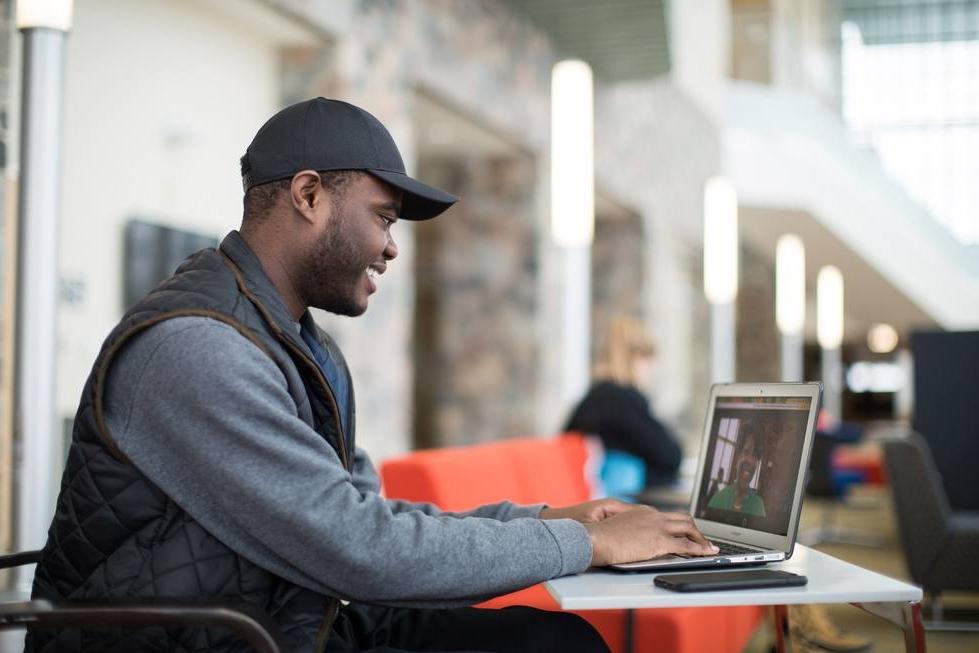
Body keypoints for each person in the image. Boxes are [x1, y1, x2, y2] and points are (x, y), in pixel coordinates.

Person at [28, 98, 719, 653]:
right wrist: (583, 543)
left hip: (288, 620)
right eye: (382, 217)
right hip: (219, 634)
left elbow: (367, 521)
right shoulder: (199, 349)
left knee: (554, 639)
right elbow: (359, 549)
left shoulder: (295, 343)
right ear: (307, 195)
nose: (391, 246)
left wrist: (546, 518)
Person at [564, 317, 683, 489]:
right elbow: (671, 456)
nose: (650, 369)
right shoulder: (621, 399)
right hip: (621, 500)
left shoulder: (595, 397)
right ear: (634, 357)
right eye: (647, 358)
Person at [707, 430, 767, 517]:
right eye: (746, 451)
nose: (750, 460)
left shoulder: (758, 506)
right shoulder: (718, 499)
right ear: (737, 457)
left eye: (755, 455)